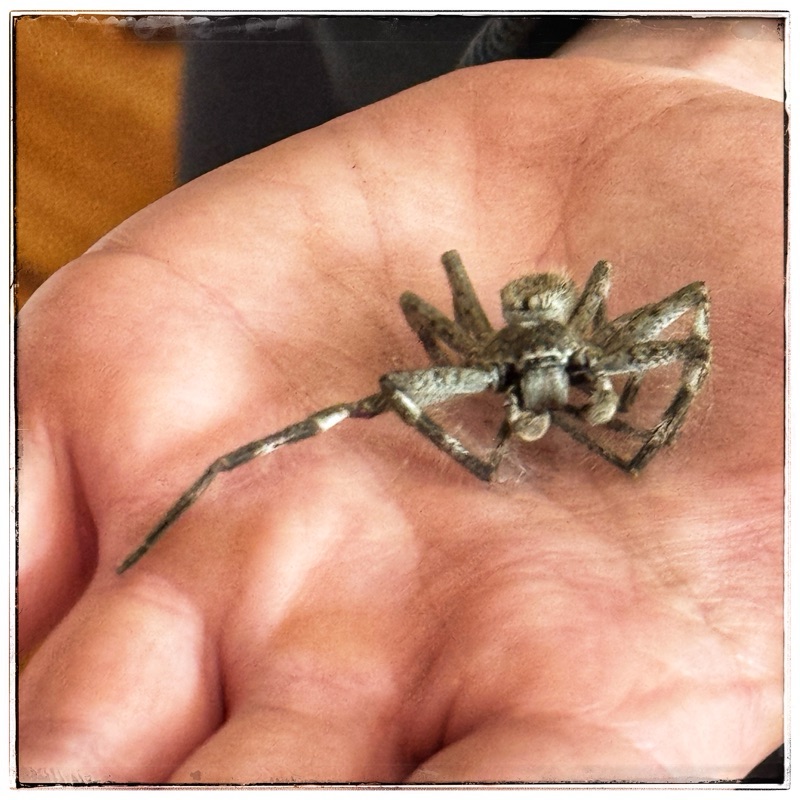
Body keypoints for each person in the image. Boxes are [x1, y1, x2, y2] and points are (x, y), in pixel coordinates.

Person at [17, 17, 784, 784]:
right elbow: (403, 374)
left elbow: (692, 327)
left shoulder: (600, 334)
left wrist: (739, 53)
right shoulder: (480, 351)